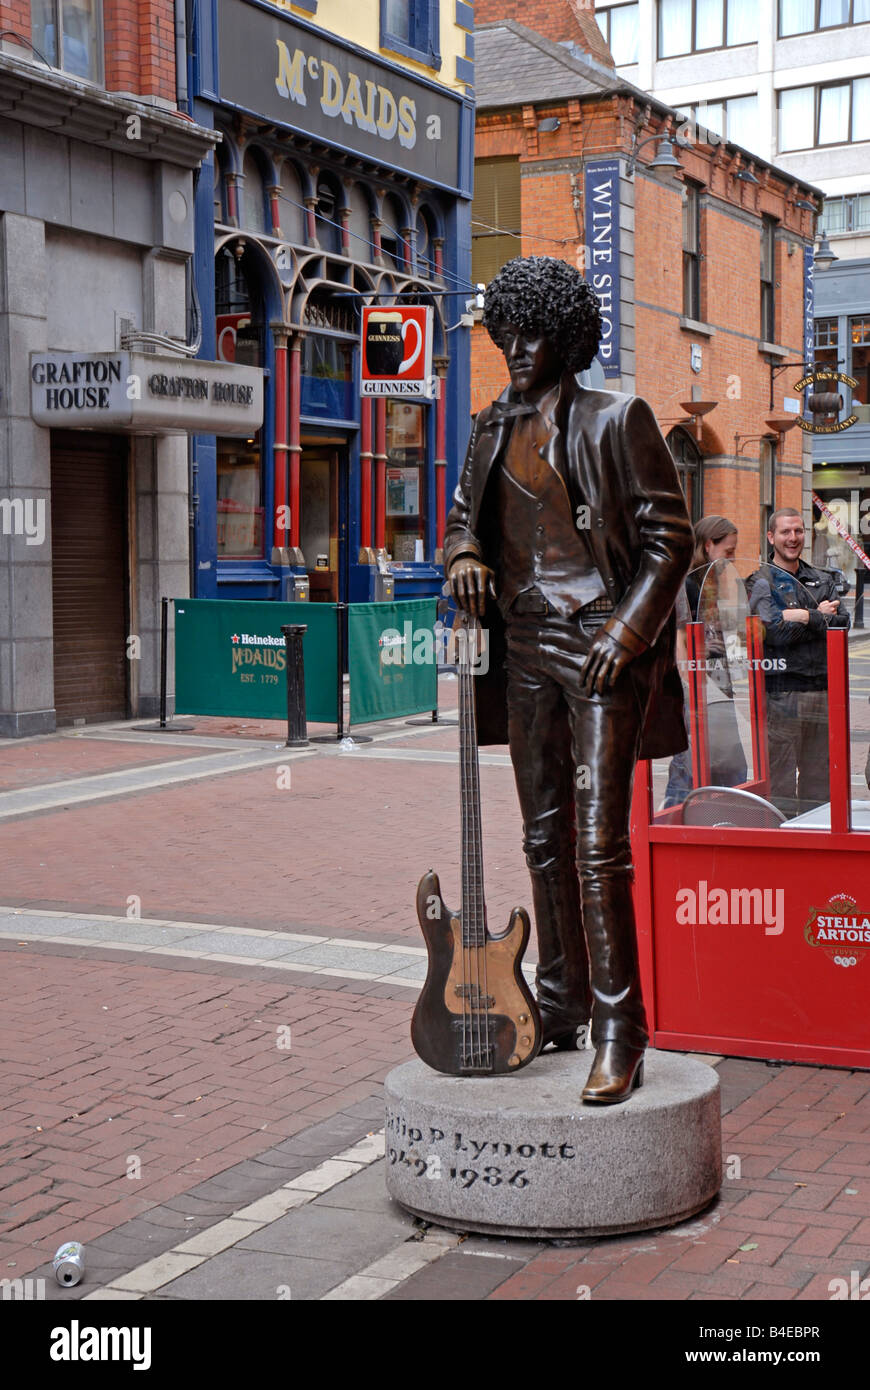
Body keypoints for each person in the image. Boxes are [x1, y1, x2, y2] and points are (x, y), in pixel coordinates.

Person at [445, 256, 693, 1104]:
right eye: (506, 331)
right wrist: (467, 556)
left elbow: (671, 541)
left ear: (570, 336)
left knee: (598, 847)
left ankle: (620, 1026)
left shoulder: (616, 419)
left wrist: (628, 632)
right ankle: (560, 999)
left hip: (598, 648)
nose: (517, 347)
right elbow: (456, 526)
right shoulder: (485, 430)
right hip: (523, 650)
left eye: (535, 331)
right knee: (542, 841)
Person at [748, 507, 850, 817]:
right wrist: (819, 617)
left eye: (799, 531)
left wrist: (804, 616)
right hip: (782, 694)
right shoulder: (759, 580)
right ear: (771, 536)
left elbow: (842, 623)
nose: (793, 538)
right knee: (779, 782)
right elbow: (771, 632)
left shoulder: (821, 578)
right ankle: (781, 847)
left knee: (820, 781)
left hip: (822, 690)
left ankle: (816, 847)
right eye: (785, 532)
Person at [663, 516, 748, 808]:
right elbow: (680, 641)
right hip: (700, 689)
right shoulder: (687, 584)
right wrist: (692, 687)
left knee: (724, 763)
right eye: (728, 551)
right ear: (709, 545)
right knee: (692, 763)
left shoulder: (708, 581)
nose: (732, 557)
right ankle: (675, 816)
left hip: (717, 684)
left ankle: (727, 817)